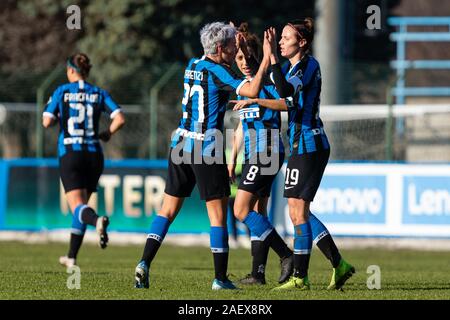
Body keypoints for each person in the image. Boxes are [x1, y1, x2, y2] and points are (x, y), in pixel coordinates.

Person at [134, 21, 272, 290]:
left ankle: (144, 263)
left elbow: (219, 69)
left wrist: (232, 36)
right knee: (218, 217)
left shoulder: (193, 65)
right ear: (219, 48)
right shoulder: (220, 72)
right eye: (232, 46)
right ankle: (220, 279)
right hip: (206, 148)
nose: (236, 50)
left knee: (167, 210)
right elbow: (252, 91)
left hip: (180, 143)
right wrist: (266, 59)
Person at [231, 20, 355, 291]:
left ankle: (300, 275)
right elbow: (281, 97)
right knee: (299, 211)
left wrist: (271, 63)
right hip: (301, 145)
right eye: (280, 38)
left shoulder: (307, 66)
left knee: (297, 211)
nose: (281, 41)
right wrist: (258, 94)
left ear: (302, 43)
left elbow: (286, 92)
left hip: (310, 144)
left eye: (286, 38)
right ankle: (335, 265)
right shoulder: (291, 68)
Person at [43, 53, 125, 268]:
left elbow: (46, 121)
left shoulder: (62, 91)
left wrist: (59, 117)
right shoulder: (98, 93)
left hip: (71, 152)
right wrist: (107, 133)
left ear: (71, 70)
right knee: (81, 207)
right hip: (94, 154)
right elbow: (120, 118)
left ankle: (97, 220)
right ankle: (71, 257)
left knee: (78, 207)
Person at [228, 23, 293, 286]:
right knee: (258, 212)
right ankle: (258, 273)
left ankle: (286, 255)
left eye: (247, 56)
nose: (243, 62)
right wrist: (233, 159)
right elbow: (242, 125)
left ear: (258, 55)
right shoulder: (244, 85)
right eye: (239, 57)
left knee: (240, 209)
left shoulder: (266, 83)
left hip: (267, 151)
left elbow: (287, 104)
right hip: (255, 155)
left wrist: (265, 55)